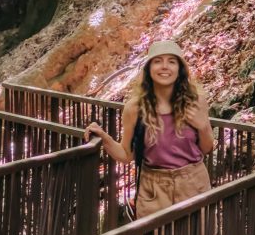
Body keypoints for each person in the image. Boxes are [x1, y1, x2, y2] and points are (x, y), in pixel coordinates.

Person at [84, 39, 214, 217]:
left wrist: (203, 126)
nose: (164, 67)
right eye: (158, 61)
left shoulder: (196, 101)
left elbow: (207, 148)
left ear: (180, 69)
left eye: (172, 61)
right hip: (153, 189)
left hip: (193, 184)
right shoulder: (134, 108)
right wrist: (104, 138)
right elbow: (126, 154)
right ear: (148, 69)